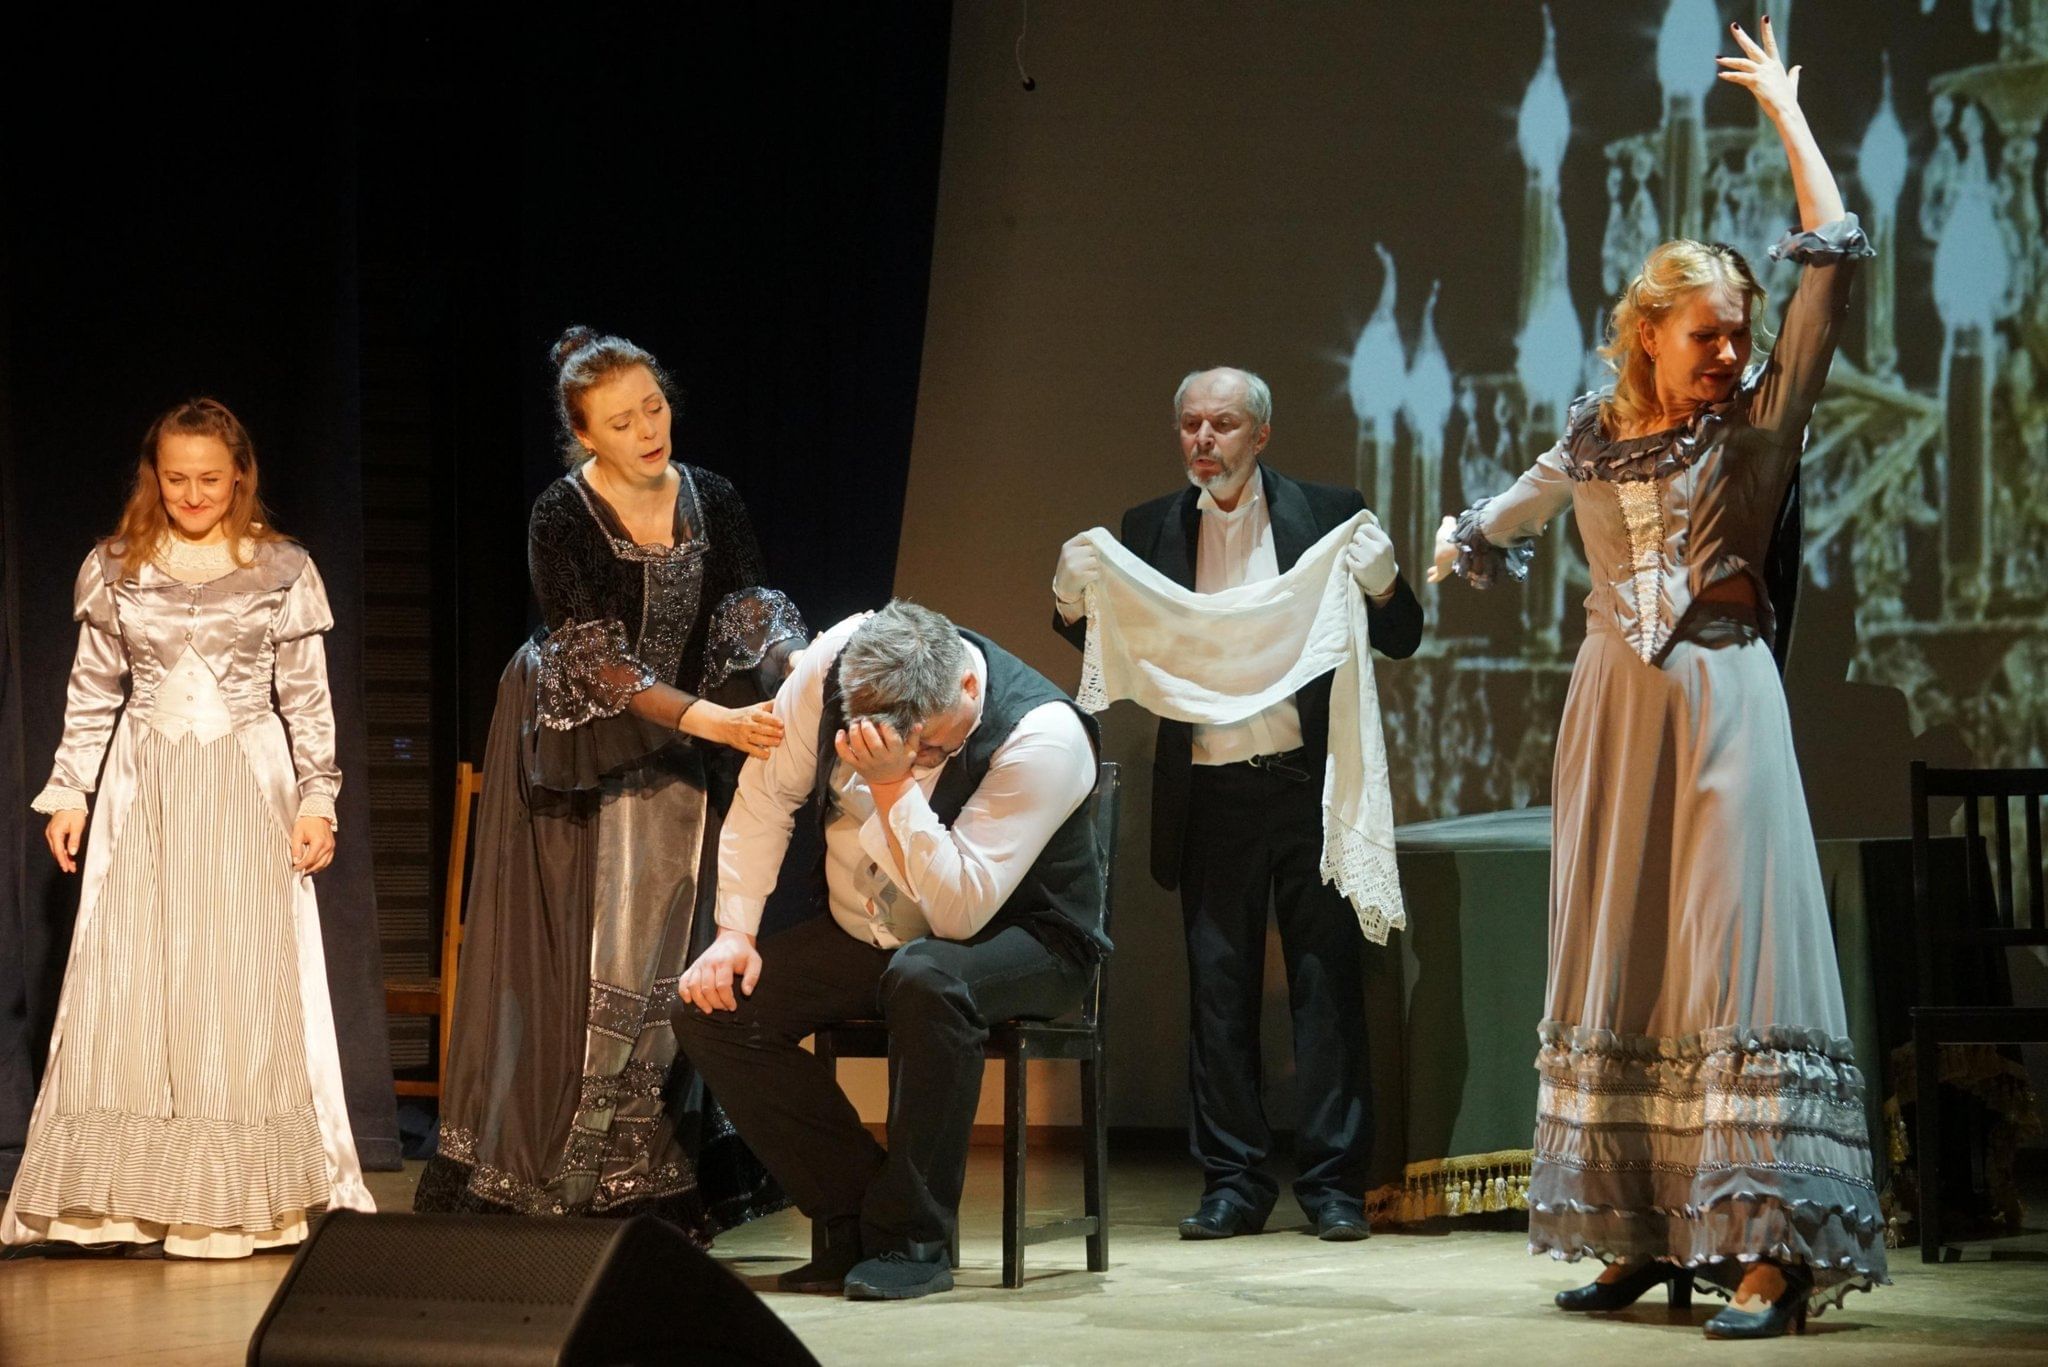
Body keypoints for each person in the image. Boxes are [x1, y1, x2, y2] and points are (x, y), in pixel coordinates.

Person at [1430, 19, 1887, 1338]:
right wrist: (1454, 542)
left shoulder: (1756, 425)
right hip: (1613, 711)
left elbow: (1830, 259)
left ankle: (1768, 1250)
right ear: (1646, 333)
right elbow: (1510, 509)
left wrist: (1788, 117)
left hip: (1722, 705)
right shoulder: (1592, 433)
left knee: (1733, 963)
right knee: (1620, 956)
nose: (1727, 353)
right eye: (1704, 334)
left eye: (1738, 334)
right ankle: (1637, 1227)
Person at [414, 327, 797, 1237]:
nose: (647, 430)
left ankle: (648, 1166)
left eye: (653, 408)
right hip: (579, 736)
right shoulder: (563, 512)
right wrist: (706, 719)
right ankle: (564, 1170)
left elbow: (750, 616)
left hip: (681, 737)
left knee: (671, 932)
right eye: (621, 422)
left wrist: (802, 671)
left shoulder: (713, 497)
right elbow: (595, 661)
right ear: (585, 435)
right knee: (588, 945)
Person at [1051, 366, 1422, 1241]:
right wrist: (1068, 599)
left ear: (1261, 433)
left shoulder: (1327, 514)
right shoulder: (1150, 527)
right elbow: (1116, 637)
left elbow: (1401, 635)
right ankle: (1233, 1182)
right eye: (1190, 424)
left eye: (1221, 423)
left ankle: (1332, 1185)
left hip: (1304, 787)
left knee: (1326, 989)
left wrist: (1382, 584)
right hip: (1210, 792)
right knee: (1218, 994)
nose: (1203, 439)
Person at [2, 397, 374, 1258]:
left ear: (239, 475)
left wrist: (317, 799)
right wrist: (70, 790)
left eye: (210, 478)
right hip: (147, 789)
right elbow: (93, 688)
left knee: (239, 976)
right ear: (155, 477)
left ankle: (237, 1202)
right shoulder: (118, 567)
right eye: (177, 479)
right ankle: (122, 1203)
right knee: (133, 974)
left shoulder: (280, 567)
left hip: (246, 784)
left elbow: (307, 700)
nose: (194, 494)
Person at [673, 600, 1105, 1301]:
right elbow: (767, 794)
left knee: (929, 978)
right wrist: (734, 934)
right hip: (878, 931)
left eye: (930, 748)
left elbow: (960, 911)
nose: (919, 756)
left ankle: (912, 1240)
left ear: (967, 687)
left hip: (1027, 937)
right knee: (715, 1009)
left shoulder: (1044, 734)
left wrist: (893, 782)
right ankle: (856, 1215)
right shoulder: (835, 661)